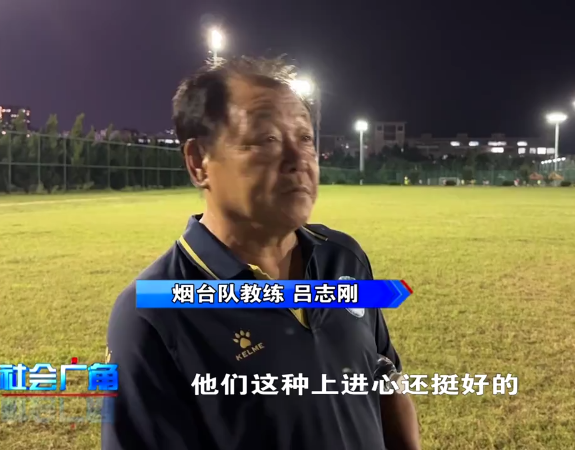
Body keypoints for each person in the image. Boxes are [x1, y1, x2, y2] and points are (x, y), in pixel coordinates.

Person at [101, 58, 420, 450]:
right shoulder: (152, 314)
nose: (298, 159)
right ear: (199, 162)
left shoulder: (343, 259)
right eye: (267, 139)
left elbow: (386, 380)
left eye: (305, 138)